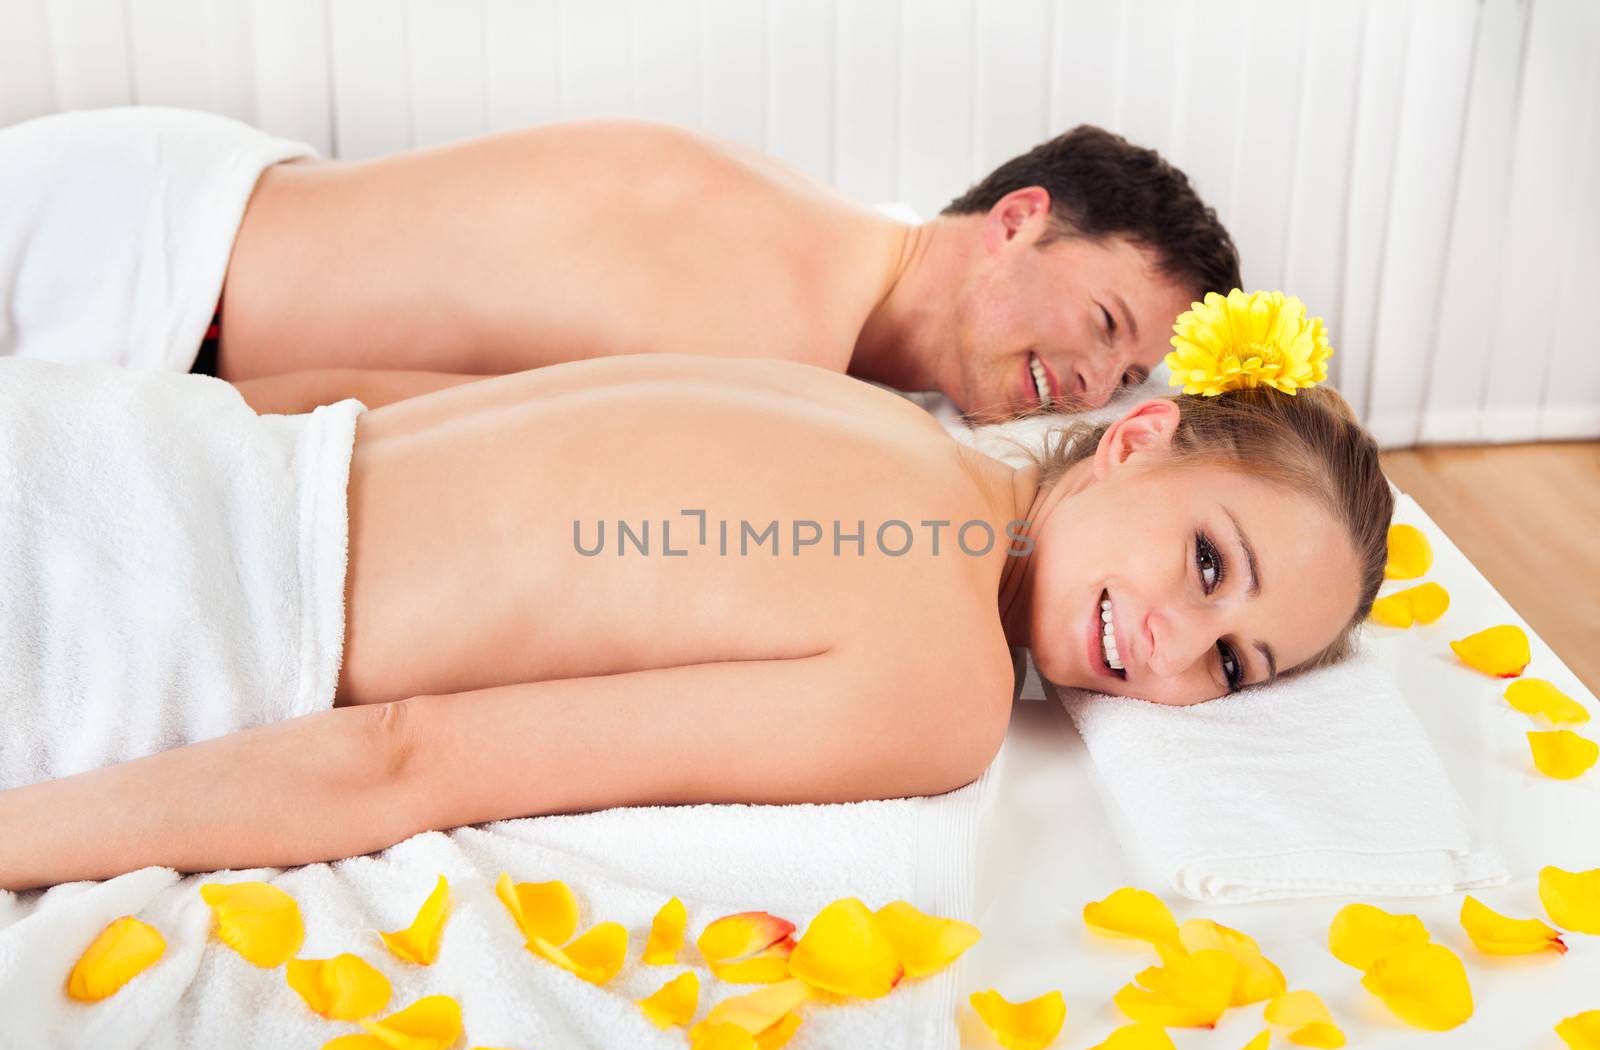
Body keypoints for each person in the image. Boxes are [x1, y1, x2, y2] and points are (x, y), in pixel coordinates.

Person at [0, 341, 1389, 891]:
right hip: (121, 615)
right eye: (1210, 567)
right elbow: (404, 755)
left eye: (1235, 664)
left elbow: (379, 396)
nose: (1174, 644)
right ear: (1139, 438)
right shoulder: (940, 682)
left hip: (122, 438)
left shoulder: (872, 414)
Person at [0, 108, 1239, 421]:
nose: (1093, 378)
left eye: (1128, 377)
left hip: (190, 230)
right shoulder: (778, 305)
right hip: (134, 262)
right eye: (1105, 320)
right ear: (1017, 218)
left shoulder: (842, 276)